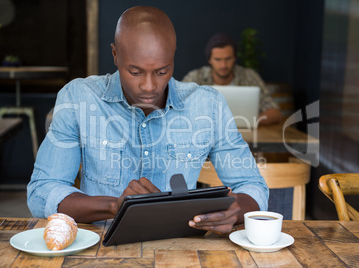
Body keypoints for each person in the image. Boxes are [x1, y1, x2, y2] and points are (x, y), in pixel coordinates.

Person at [27, 6, 268, 234]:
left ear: (173, 57)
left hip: (180, 251)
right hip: (99, 249)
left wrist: (234, 211)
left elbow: (253, 186)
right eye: (135, 72)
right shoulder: (78, 99)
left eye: (162, 71)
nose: (149, 86)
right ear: (114, 54)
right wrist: (115, 206)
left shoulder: (208, 105)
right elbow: (42, 191)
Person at [182, 33, 282, 126]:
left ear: (235, 58)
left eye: (228, 59)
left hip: (244, 137)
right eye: (218, 59)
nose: (223, 65)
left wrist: (251, 122)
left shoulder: (249, 76)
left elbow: (275, 112)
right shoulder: (195, 78)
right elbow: (175, 108)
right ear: (210, 60)